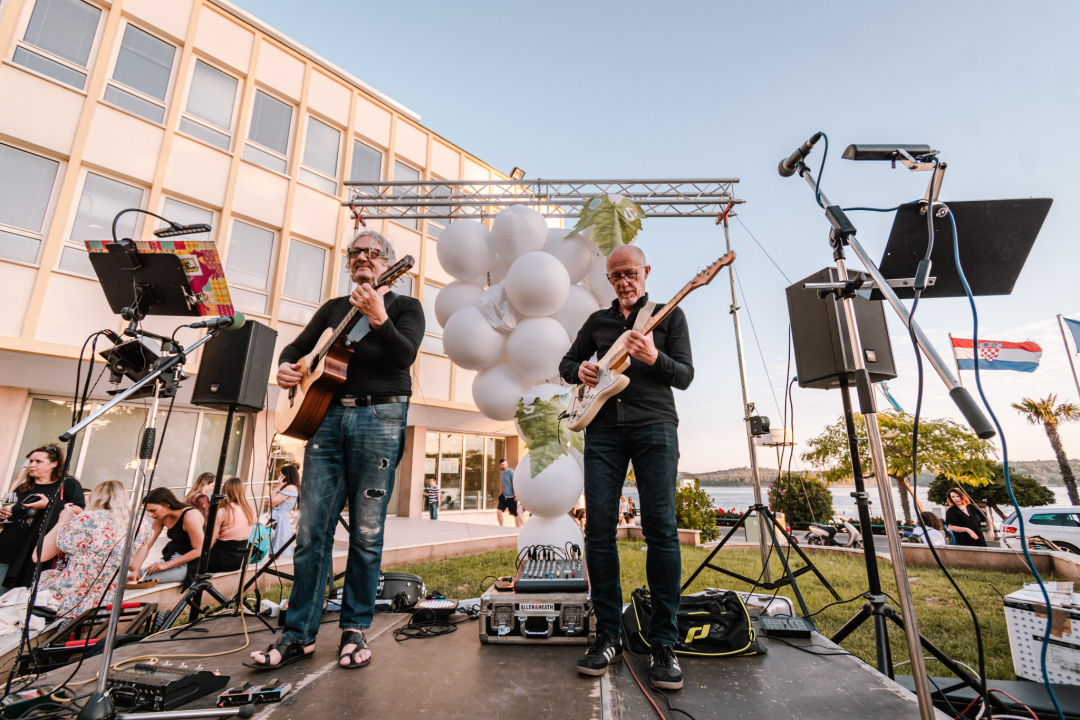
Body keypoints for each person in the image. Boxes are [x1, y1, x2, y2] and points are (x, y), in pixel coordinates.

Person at [249, 229, 423, 672]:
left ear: (389, 264)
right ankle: (298, 633)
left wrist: (379, 317)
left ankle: (354, 628)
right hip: (325, 417)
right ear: (349, 263)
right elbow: (296, 348)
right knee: (311, 530)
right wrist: (288, 367)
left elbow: (403, 358)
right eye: (355, 253)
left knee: (366, 532)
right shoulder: (332, 310)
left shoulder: (405, 307)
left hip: (380, 417)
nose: (363, 257)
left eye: (373, 253)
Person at [560, 244, 693, 691]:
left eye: (630, 273)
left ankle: (664, 643)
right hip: (602, 431)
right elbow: (565, 363)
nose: (623, 281)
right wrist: (578, 368)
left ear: (645, 272)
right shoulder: (597, 322)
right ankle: (609, 634)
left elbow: (686, 375)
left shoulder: (669, 316)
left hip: (655, 426)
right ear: (608, 278)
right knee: (598, 530)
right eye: (616, 275)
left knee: (662, 529)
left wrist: (653, 357)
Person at [35, 480, 153, 618]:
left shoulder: (86, 519)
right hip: (105, 600)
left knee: (43, 579)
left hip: (70, 596)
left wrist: (62, 521)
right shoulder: (141, 524)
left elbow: (38, 556)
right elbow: (134, 566)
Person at [0, 445, 86, 591]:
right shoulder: (23, 487)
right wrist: (2, 516)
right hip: (8, 548)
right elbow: (9, 519)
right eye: (30, 461)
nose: (32, 465)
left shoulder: (68, 484)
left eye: (38, 462)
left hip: (38, 552)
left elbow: (78, 511)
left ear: (54, 463)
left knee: (20, 601)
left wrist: (49, 505)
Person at [129, 488, 204, 587]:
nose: (150, 515)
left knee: (135, 580)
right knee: (131, 576)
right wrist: (136, 569)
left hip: (190, 564)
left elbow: (199, 550)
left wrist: (166, 565)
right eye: (147, 511)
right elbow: (147, 545)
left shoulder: (190, 516)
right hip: (171, 557)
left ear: (167, 503)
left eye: (153, 510)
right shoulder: (161, 517)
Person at [207, 477, 256, 572]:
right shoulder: (250, 511)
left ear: (225, 490)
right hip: (238, 560)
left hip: (219, 559)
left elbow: (210, 542)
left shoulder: (223, 511)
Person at [269, 466, 301, 557]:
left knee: (274, 550)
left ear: (286, 476)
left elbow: (270, 502)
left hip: (279, 518)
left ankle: (269, 568)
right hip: (280, 518)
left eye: (281, 475)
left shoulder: (290, 488)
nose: (279, 477)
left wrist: (279, 486)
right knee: (274, 549)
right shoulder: (291, 487)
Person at [497, 459, 522, 528]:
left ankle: (518, 528)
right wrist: (500, 494)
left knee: (515, 514)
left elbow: (515, 484)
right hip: (503, 497)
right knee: (499, 511)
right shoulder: (501, 473)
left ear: (507, 464)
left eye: (505, 464)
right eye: (502, 465)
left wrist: (515, 495)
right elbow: (502, 484)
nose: (504, 466)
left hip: (511, 497)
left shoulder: (511, 472)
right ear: (500, 465)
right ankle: (501, 527)